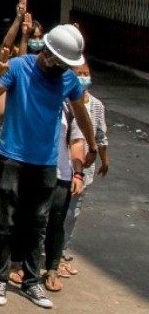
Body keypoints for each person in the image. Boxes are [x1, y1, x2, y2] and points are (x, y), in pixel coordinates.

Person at [0, 24, 99, 309]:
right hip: (13, 158)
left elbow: (81, 112)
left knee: (37, 225)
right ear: (48, 54)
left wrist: (92, 145)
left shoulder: (67, 79)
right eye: (61, 63)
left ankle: (32, 282)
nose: (64, 69)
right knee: (7, 222)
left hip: (45, 163)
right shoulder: (19, 67)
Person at [61, 62, 108, 273]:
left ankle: (60, 252)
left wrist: (104, 160)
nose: (83, 77)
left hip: (84, 170)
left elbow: (101, 137)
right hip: (63, 167)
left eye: (86, 73)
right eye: (79, 74)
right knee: (55, 212)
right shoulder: (64, 102)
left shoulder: (96, 105)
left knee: (72, 214)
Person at [42, 109, 86, 293]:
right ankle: (19, 264)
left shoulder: (70, 106)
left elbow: (77, 142)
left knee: (56, 225)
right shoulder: (33, 96)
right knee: (31, 221)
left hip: (62, 175)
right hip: (35, 170)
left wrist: (78, 174)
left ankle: (52, 270)